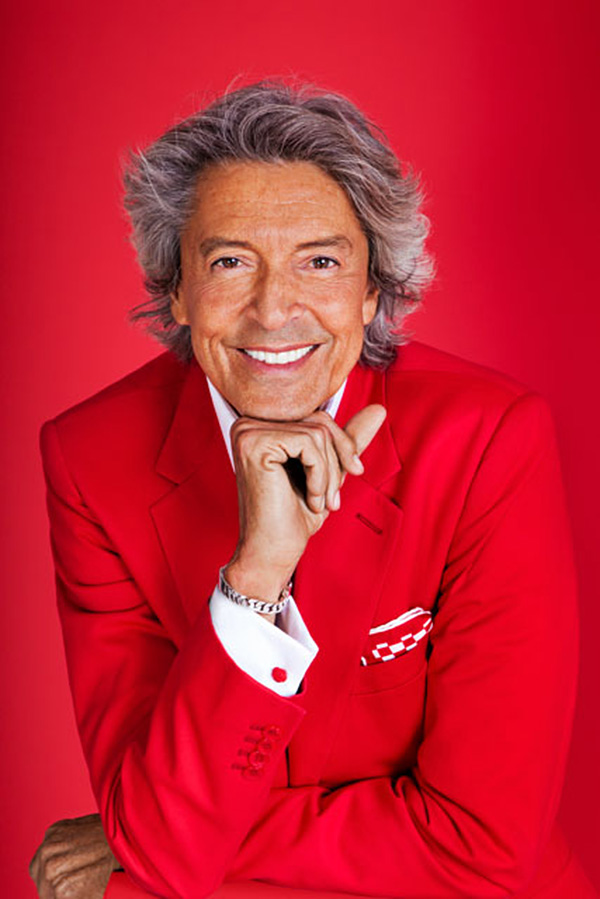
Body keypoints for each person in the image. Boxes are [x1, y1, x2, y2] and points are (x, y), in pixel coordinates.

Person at [29, 81, 597, 899]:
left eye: (320, 262)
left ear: (372, 290)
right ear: (177, 289)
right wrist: (255, 576)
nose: (273, 310)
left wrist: (164, 835)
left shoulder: (487, 440)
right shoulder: (90, 459)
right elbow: (157, 837)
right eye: (230, 262)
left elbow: (485, 845)